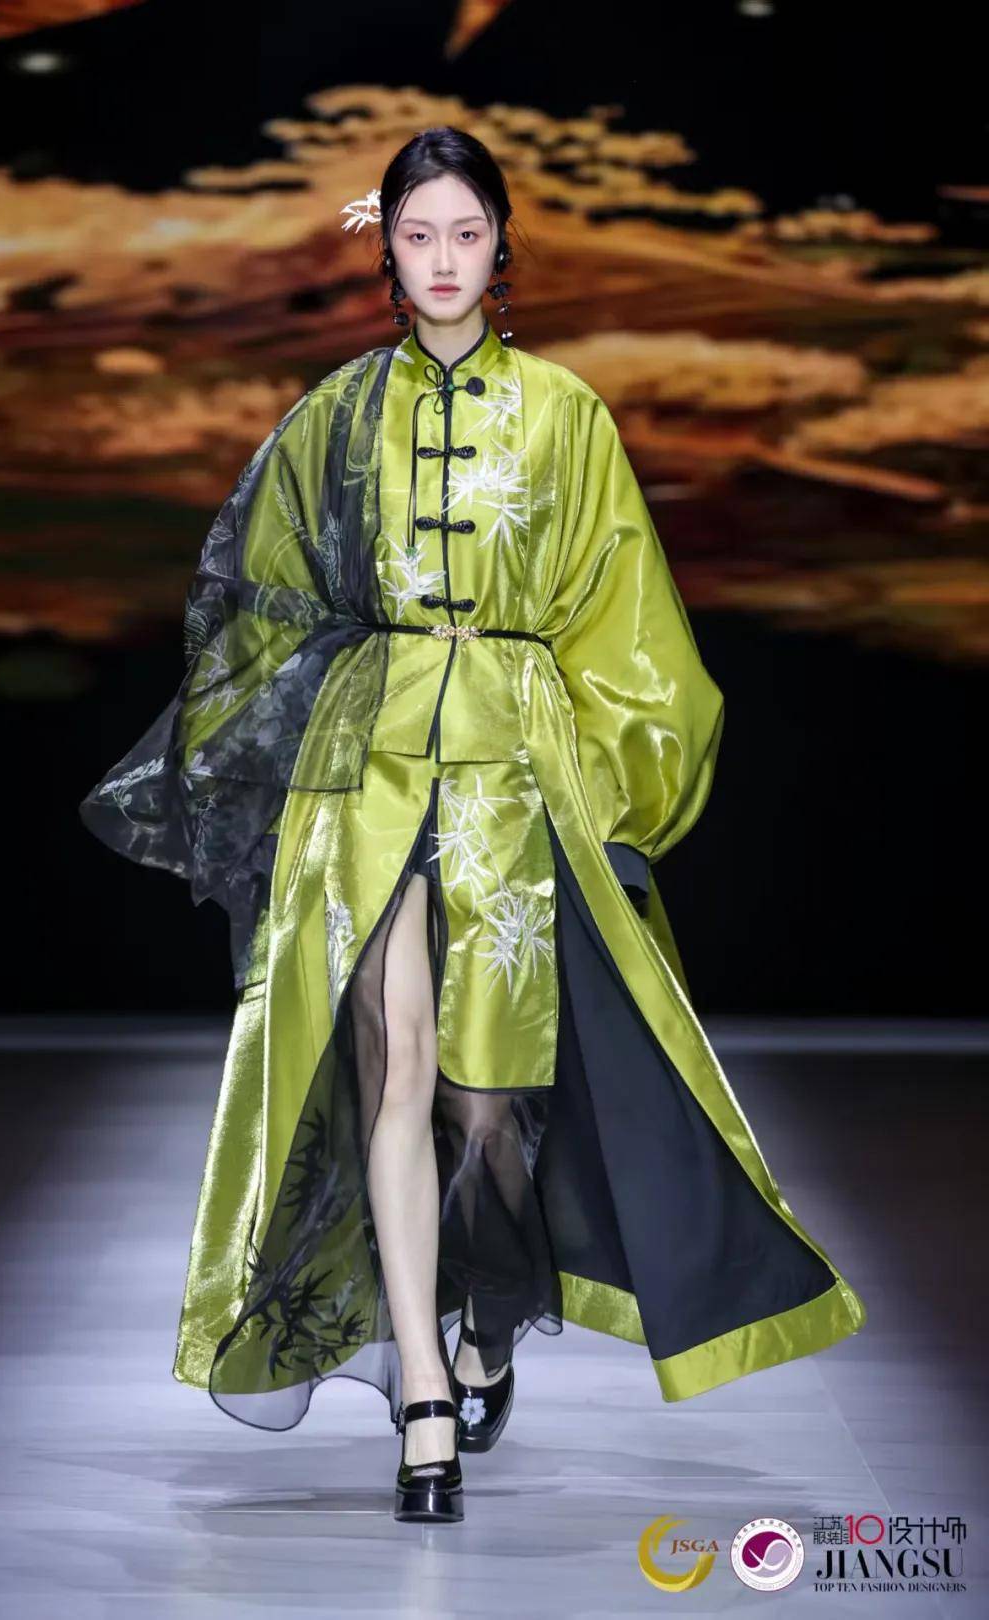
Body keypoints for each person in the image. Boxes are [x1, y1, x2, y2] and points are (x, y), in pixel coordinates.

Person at [79, 126, 866, 1525]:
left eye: (465, 232)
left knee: (482, 1102)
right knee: (394, 1067)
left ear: (503, 244)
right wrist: (270, 747)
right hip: (367, 769)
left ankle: (488, 1308)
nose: (442, 258)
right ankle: (426, 1397)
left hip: (512, 771)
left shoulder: (565, 415)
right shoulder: (335, 418)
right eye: (417, 233)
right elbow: (257, 594)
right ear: (383, 247)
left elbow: (626, 624)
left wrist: (619, 801)